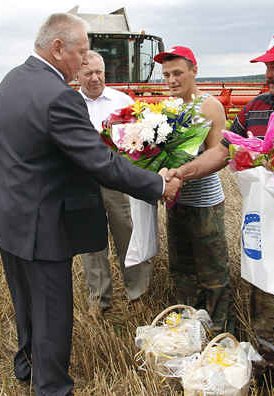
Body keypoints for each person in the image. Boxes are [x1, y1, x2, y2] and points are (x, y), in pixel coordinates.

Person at [0, 13, 181, 396]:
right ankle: (53, 387)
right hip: (41, 227)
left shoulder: (12, 79)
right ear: (57, 48)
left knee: (25, 303)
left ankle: (26, 366)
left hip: (9, 218)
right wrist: (157, 184)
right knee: (52, 313)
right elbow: (100, 162)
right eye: (80, 53)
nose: (83, 62)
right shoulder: (59, 96)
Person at [165, 34, 274, 396]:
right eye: (266, 67)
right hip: (261, 226)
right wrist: (183, 172)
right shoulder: (256, 107)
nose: (268, 74)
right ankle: (268, 371)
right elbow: (223, 151)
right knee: (262, 299)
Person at [154, 46, 235, 335]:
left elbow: (218, 157)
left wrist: (180, 175)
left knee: (213, 272)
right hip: (176, 202)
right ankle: (189, 330)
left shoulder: (209, 106)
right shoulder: (165, 108)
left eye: (177, 73)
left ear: (194, 72)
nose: (171, 80)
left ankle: (220, 333)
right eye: (166, 75)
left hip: (205, 205)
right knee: (181, 269)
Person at [77, 50, 152, 317]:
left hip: (118, 181)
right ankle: (99, 300)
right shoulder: (69, 103)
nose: (95, 78)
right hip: (83, 182)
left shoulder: (123, 102)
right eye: (88, 73)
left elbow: (142, 140)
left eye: (99, 72)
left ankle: (138, 293)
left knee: (128, 235)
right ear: (77, 74)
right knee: (91, 242)